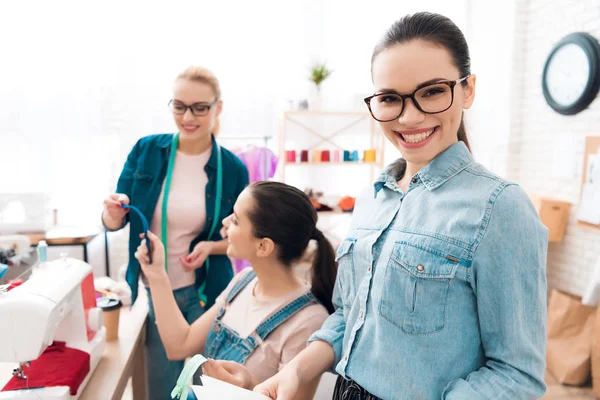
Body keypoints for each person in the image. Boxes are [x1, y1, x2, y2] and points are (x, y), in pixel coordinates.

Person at [255, 12, 548, 400]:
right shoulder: (370, 199)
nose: (409, 117)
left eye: (431, 92)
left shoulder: (500, 208)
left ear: (468, 90)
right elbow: (349, 315)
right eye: (390, 98)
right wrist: (295, 371)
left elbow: (516, 375)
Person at [101, 66, 249, 399]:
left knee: (206, 390)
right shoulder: (146, 151)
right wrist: (111, 211)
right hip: (155, 291)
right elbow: (115, 220)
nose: (188, 116)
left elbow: (245, 239)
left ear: (218, 108)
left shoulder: (233, 169)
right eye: (179, 106)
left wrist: (210, 247)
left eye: (200, 107)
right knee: (162, 389)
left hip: (204, 292)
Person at [134, 181, 336, 399]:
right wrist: (156, 274)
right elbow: (179, 345)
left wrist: (250, 387)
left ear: (263, 246)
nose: (225, 222)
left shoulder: (308, 321)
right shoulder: (244, 281)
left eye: (236, 220)